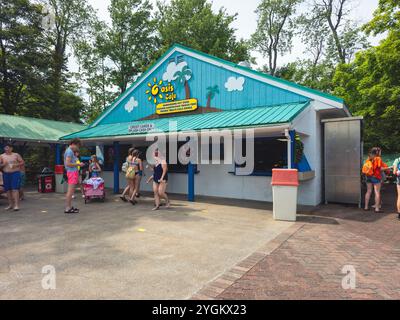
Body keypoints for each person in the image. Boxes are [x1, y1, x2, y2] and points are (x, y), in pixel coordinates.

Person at [0, 143, 24, 211]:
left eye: (7, 148)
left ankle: (16, 205)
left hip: (15, 173)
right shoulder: (2, 156)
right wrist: (3, 164)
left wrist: (16, 165)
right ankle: (10, 205)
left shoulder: (16, 155)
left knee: (14, 189)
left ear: (11, 148)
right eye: (5, 148)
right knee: (8, 190)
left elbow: (22, 162)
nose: (6, 149)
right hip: (6, 174)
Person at [363, 147, 387, 213]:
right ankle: (377, 208)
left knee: (368, 191)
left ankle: (366, 207)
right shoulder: (378, 158)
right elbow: (380, 169)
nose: (380, 152)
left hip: (368, 176)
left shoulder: (368, 158)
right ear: (377, 152)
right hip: (376, 177)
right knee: (377, 192)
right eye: (380, 151)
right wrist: (389, 167)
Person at [64, 139, 82, 214]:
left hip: (72, 172)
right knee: (70, 191)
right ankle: (68, 208)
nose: (77, 148)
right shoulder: (69, 151)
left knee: (71, 191)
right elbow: (68, 163)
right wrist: (78, 164)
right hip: (72, 172)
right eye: (77, 146)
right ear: (73, 144)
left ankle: (69, 207)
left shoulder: (70, 151)